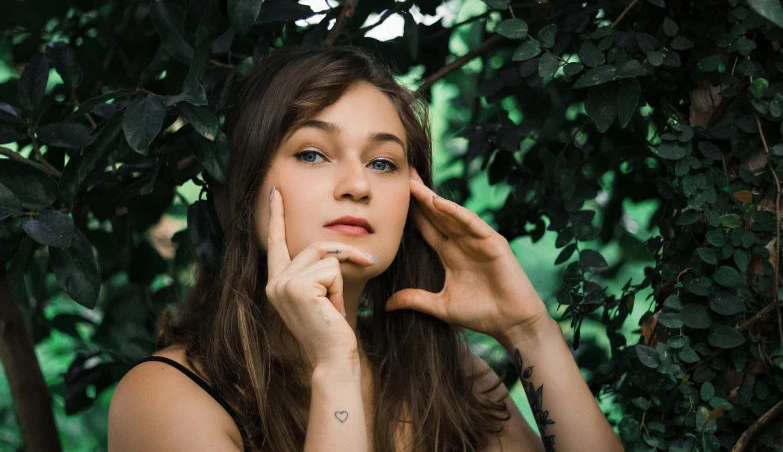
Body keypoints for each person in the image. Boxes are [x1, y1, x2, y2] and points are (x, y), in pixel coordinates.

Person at [107, 45, 624, 452]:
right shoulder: (167, 396)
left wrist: (528, 331)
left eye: (383, 163)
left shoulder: (447, 374)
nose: (358, 184)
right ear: (246, 188)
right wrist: (334, 367)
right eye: (312, 153)